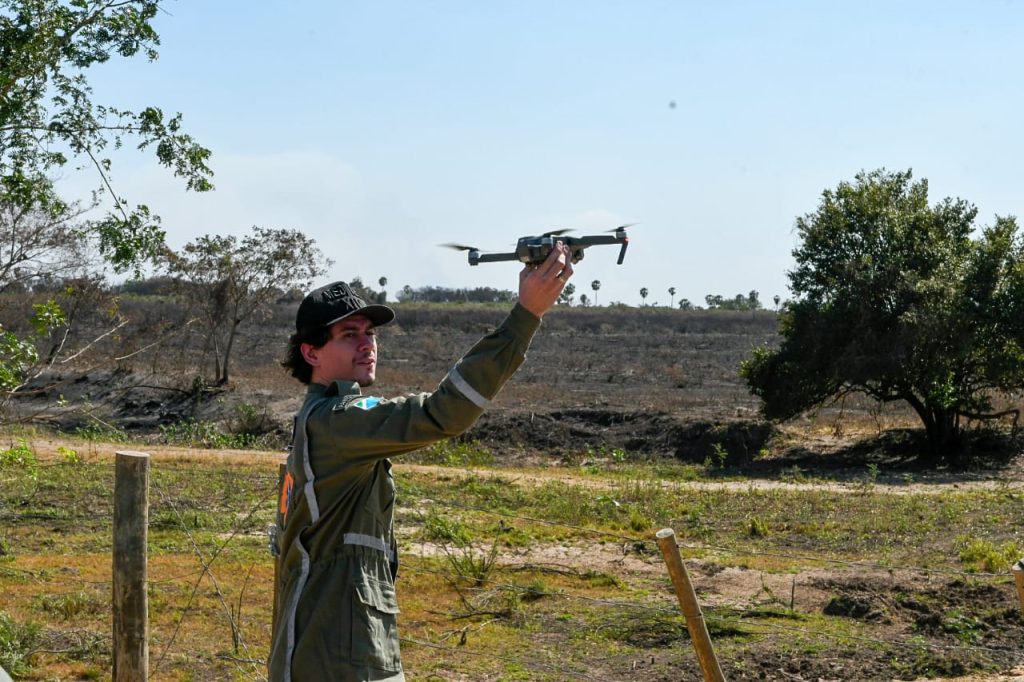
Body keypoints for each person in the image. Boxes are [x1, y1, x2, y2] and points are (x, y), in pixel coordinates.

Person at [269, 242, 574, 681]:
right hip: (337, 656)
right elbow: (442, 413)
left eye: (370, 333)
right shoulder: (336, 423)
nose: (366, 344)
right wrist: (525, 316)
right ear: (311, 353)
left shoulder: (317, 421)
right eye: (348, 335)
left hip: (333, 648)